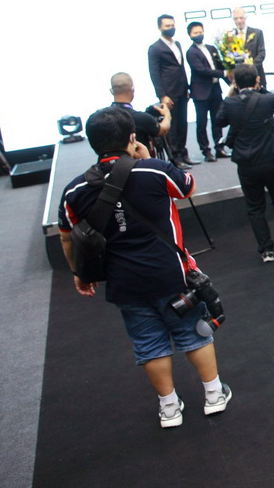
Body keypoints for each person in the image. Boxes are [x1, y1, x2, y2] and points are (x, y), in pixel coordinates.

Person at [57, 107, 231, 428]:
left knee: (149, 344)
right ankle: (214, 395)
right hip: (172, 274)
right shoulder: (155, 170)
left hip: (125, 284)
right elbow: (187, 186)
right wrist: (147, 156)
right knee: (193, 334)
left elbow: (68, 239)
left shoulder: (74, 190)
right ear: (132, 137)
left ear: (92, 144)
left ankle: (169, 409)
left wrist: (79, 274)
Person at [216, 64, 274, 262]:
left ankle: (266, 250)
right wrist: (261, 89)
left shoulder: (229, 103)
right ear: (257, 80)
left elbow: (219, 121)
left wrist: (232, 94)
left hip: (247, 164)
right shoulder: (266, 99)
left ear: (235, 82)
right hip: (271, 160)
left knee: (255, 207)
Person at [147, 14, 197, 170]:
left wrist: (187, 88)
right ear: (160, 28)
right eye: (167, 26)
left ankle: (184, 154)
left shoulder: (178, 44)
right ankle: (175, 158)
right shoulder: (155, 48)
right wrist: (162, 95)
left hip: (182, 90)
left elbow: (182, 68)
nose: (171, 28)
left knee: (182, 124)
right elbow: (154, 73)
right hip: (168, 93)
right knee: (172, 126)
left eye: (172, 25)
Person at [185, 21, 228, 163]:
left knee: (218, 120)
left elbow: (220, 65)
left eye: (200, 32)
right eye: (195, 33)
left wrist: (230, 78)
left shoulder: (212, 48)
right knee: (202, 123)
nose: (198, 35)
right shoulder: (191, 52)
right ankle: (206, 150)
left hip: (215, 90)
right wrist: (223, 73)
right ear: (190, 35)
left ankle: (219, 147)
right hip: (200, 92)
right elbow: (202, 70)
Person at [110, 72, 171, 154]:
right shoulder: (142, 118)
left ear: (111, 91)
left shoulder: (100, 118)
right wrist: (167, 115)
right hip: (138, 163)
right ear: (132, 89)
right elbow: (162, 130)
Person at [231, 8, 267, 84]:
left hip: (256, 74)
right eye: (236, 18)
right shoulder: (230, 36)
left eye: (241, 18)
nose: (239, 21)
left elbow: (262, 53)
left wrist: (250, 68)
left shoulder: (257, 33)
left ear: (245, 18)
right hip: (239, 78)